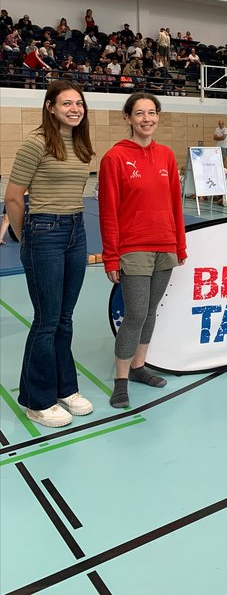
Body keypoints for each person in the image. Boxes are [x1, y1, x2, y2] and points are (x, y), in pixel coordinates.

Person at [4, 82, 95, 427]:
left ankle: (64, 388)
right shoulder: (36, 142)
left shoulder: (80, 142)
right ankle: (37, 400)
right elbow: (13, 197)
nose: (74, 108)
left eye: (78, 103)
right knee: (47, 320)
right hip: (44, 232)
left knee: (65, 318)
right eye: (66, 103)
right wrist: (25, 237)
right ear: (50, 107)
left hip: (76, 230)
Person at [98, 93, 186, 408]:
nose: (146, 119)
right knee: (135, 313)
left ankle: (138, 367)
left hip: (165, 246)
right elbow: (108, 211)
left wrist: (179, 244)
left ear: (158, 117)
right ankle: (120, 380)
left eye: (151, 113)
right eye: (139, 113)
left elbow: (175, 203)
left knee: (150, 311)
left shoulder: (166, 155)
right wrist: (111, 256)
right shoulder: (114, 157)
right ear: (128, 118)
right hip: (133, 248)